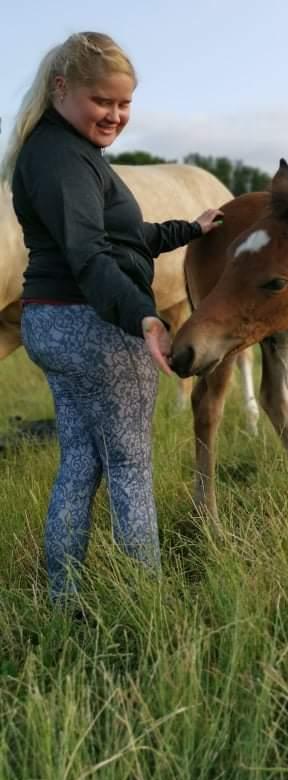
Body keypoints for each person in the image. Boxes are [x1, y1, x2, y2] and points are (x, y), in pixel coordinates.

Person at [0, 31, 224, 605]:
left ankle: (64, 598)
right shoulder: (63, 160)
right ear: (61, 88)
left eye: (125, 104)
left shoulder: (64, 152)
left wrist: (188, 230)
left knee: (79, 460)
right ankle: (144, 600)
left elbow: (127, 236)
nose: (116, 115)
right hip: (93, 325)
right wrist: (143, 318)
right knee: (129, 467)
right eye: (103, 101)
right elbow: (91, 255)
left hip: (52, 324)